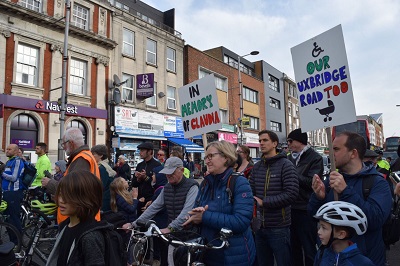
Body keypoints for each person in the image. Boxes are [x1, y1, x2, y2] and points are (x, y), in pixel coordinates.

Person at [309, 131, 392, 265]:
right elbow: (313, 215)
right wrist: (318, 197)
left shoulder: (377, 182)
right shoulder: (331, 180)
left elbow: (375, 219)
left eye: (336, 149)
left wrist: (346, 191)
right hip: (331, 257)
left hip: (364, 258)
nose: (331, 153)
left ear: (353, 153)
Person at [183, 140, 255, 266]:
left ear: (226, 158)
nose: (207, 161)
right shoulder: (205, 183)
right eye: (206, 157)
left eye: (211, 156)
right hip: (207, 253)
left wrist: (204, 216)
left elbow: (241, 221)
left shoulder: (239, 183)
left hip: (233, 256)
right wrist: (192, 217)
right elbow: (197, 210)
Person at [123, 157, 199, 265]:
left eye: (171, 173)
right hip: (172, 235)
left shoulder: (192, 186)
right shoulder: (167, 188)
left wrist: (169, 228)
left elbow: (187, 212)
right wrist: (133, 224)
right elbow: (154, 207)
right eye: (166, 173)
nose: (168, 176)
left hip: (189, 236)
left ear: (181, 170)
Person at [250, 130, 299, 266]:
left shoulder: (286, 165)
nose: (261, 143)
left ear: (275, 143)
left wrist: (264, 202)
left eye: (265, 140)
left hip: (279, 226)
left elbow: (291, 193)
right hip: (259, 226)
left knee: (284, 262)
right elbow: (251, 190)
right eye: (260, 141)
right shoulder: (257, 167)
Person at [46, 171, 110, 266]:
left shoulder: (90, 236)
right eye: (60, 194)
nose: (61, 200)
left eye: (68, 196)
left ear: (85, 199)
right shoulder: (65, 226)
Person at [41, 127, 100, 223]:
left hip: (78, 220)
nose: (63, 147)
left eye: (63, 144)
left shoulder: (81, 159)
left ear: (71, 143)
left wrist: (50, 184)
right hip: (79, 218)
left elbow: (73, 189)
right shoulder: (84, 157)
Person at [287, 128, 323, 266]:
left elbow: (311, 183)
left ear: (300, 141)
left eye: (291, 141)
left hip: (305, 208)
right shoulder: (289, 157)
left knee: (308, 247)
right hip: (291, 208)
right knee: (293, 246)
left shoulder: (315, 157)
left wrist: (291, 173)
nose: (288, 144)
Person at [313, 201, 374, 266]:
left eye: (324, 228)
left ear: (341, 234)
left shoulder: (362, 263)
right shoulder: (322, 253)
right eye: (319, 227)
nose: (319, 232)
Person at [1, 144, 25, 243]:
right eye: (7, 149)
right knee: (7, 219)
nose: (7, 150)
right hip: (6, 193)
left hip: (14, 193)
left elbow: (14, 178)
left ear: (16, 151)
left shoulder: (17, 161)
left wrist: (1, 173)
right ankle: (12, 242)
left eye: (9, 149)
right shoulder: (8, 161)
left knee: (13, 219)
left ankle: (17, 243)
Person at [132, 142, 161, 216]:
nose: (140, 153)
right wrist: (138, 179)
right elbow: (134, 184)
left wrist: (145, 177)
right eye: (140, 151)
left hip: (151, 200)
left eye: (142, 151)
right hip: (139, 199)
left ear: (149, 152)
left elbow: (158, 185)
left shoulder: (157, 165)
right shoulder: (140, 165)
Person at [91, 144, 117, 212]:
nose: (92, 156)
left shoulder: (102, 168)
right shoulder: (106, 166)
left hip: (103, 201)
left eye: (94, 154)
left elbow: (101, 186)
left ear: (101, 155)